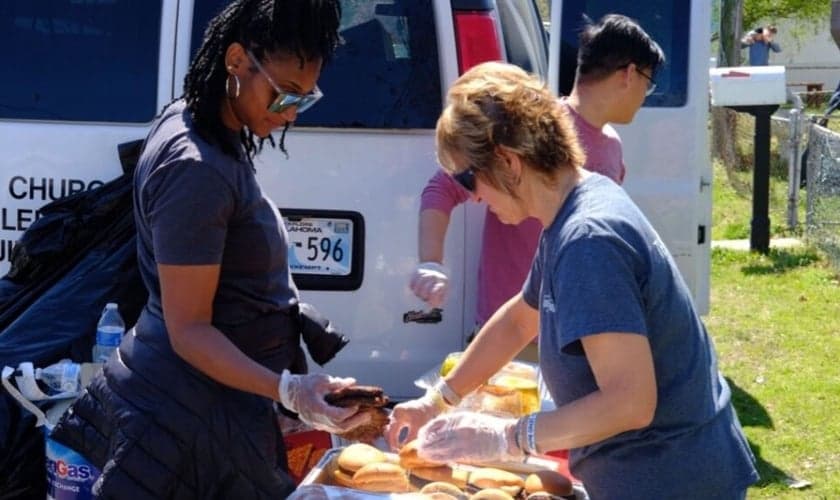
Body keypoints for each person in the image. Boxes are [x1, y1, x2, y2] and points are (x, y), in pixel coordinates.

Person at [386, 61, 759, 499]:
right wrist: (438, 400)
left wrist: (508, 437)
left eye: (470, 179)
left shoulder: (588, 240)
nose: (474, 196)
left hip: (670, 480)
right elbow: (519, 320)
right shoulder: (569, 211)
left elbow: (630, 403)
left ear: (508, 161)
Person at [51, 1, 373, 497]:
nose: (288, 115)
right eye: (284, 95)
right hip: (183, 424)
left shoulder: (204, 123)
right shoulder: (195, 169)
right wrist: (287, 389)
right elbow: (191, 331)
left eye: (304, 101)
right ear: (236, 60)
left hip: (208, 406)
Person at [409, 14, 663, 360]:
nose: (646, 95)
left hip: (576, 338)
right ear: (629, 74)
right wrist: (431, 263)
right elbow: (441, 188)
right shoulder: (528, 128)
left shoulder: (612, 148)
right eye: (648, 82)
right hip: (510, 336)